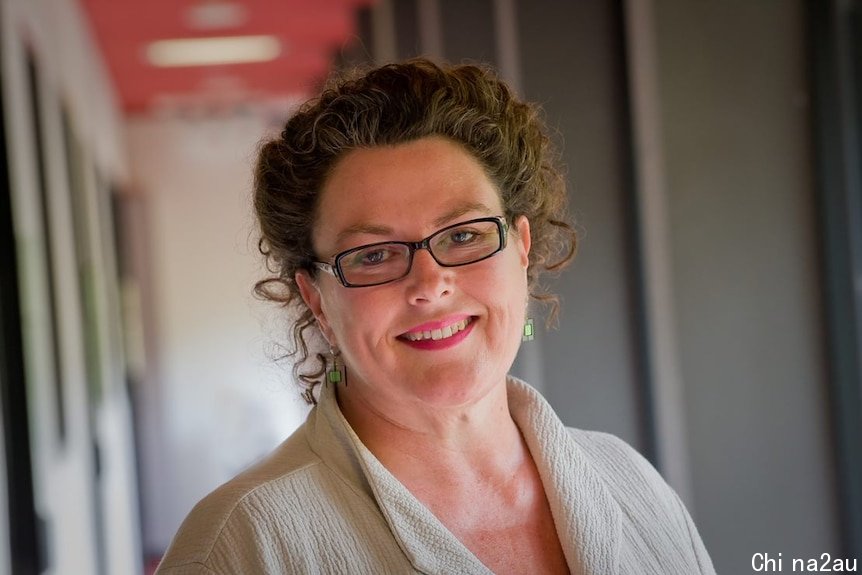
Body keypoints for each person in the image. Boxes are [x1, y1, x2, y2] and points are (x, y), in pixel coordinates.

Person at [156, 58, 715, 575]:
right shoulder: (240, 545)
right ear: (318, 300)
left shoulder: (627, 479)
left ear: (521, 250)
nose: (429, 284)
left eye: (466, 235)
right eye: (374, 254)